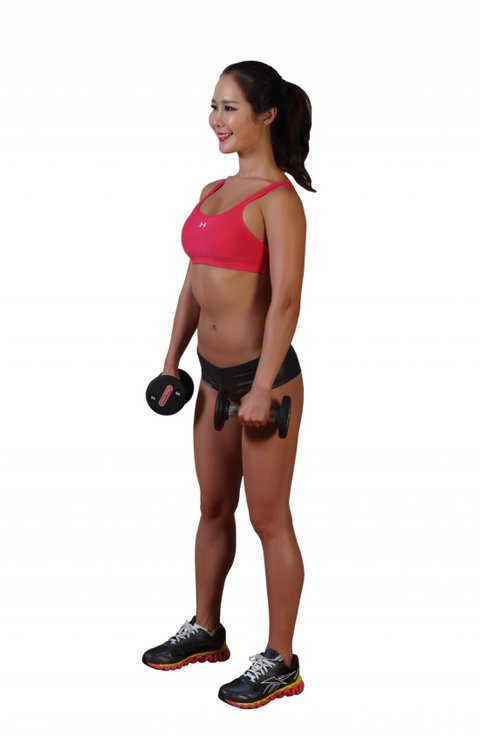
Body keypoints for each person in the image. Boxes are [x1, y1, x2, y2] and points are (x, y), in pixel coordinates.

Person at [142, 60, 315, 709]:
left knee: (268, 518)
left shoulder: (279, 202)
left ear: (267, 115)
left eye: (230, 108)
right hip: (211, 381)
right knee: (212, 508)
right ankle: (206, 629)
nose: (217, 120)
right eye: (213, 107)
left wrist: (264, 386)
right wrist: (171, 360)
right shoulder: (213, 189)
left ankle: (281, 660)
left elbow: (286, 302)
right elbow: (193, 284)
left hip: (263, 382)